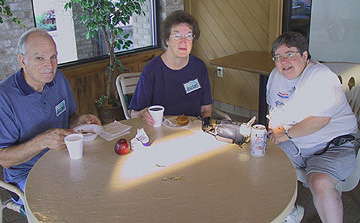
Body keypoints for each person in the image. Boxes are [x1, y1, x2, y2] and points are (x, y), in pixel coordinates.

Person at [0, 28, 101, 205]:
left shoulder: (58, 79)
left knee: (101, 182)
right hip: (27, 174)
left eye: (53, 57)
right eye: (40, 58)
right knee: (63, 203)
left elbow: (70, 117)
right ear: (22, 60)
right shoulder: (4, 97)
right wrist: (42, 141)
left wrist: (80, 121)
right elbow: (4, 159)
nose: (50, 65)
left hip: (64, 160)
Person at [266, 31, 358, 223]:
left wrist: (285, 134)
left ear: (305, 56)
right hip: (298, 144)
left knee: (320, 181)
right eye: (278, 57)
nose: (284, 61)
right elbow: (273, 111)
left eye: (290, 54)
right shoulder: (276, 76)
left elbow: (319, 120)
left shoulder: (320, 76)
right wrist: (272, 132)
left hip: (334, 145)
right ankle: (290, 213)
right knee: (264, 160)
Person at [128, 10, 212, 126]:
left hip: (192, 131)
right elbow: (134, 114)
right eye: (177, 36)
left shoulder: (199, 67)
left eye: (188, 36)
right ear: (167, 40)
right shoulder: (152, 70)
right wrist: (144, 114)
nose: (183, 41)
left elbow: (206, 109)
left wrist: (205, 127)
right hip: (161, 132)